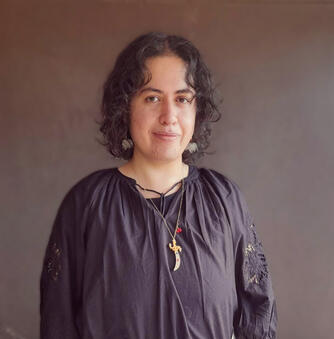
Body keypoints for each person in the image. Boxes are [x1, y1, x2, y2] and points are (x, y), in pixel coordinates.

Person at [39, 32, 278, 339]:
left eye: (182, 99)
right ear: (125, 107)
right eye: (152, 98)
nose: (169, 117)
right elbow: (58, 322)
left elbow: (257, 312)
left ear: (196, 110)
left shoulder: (224, 200)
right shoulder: (88, 204)